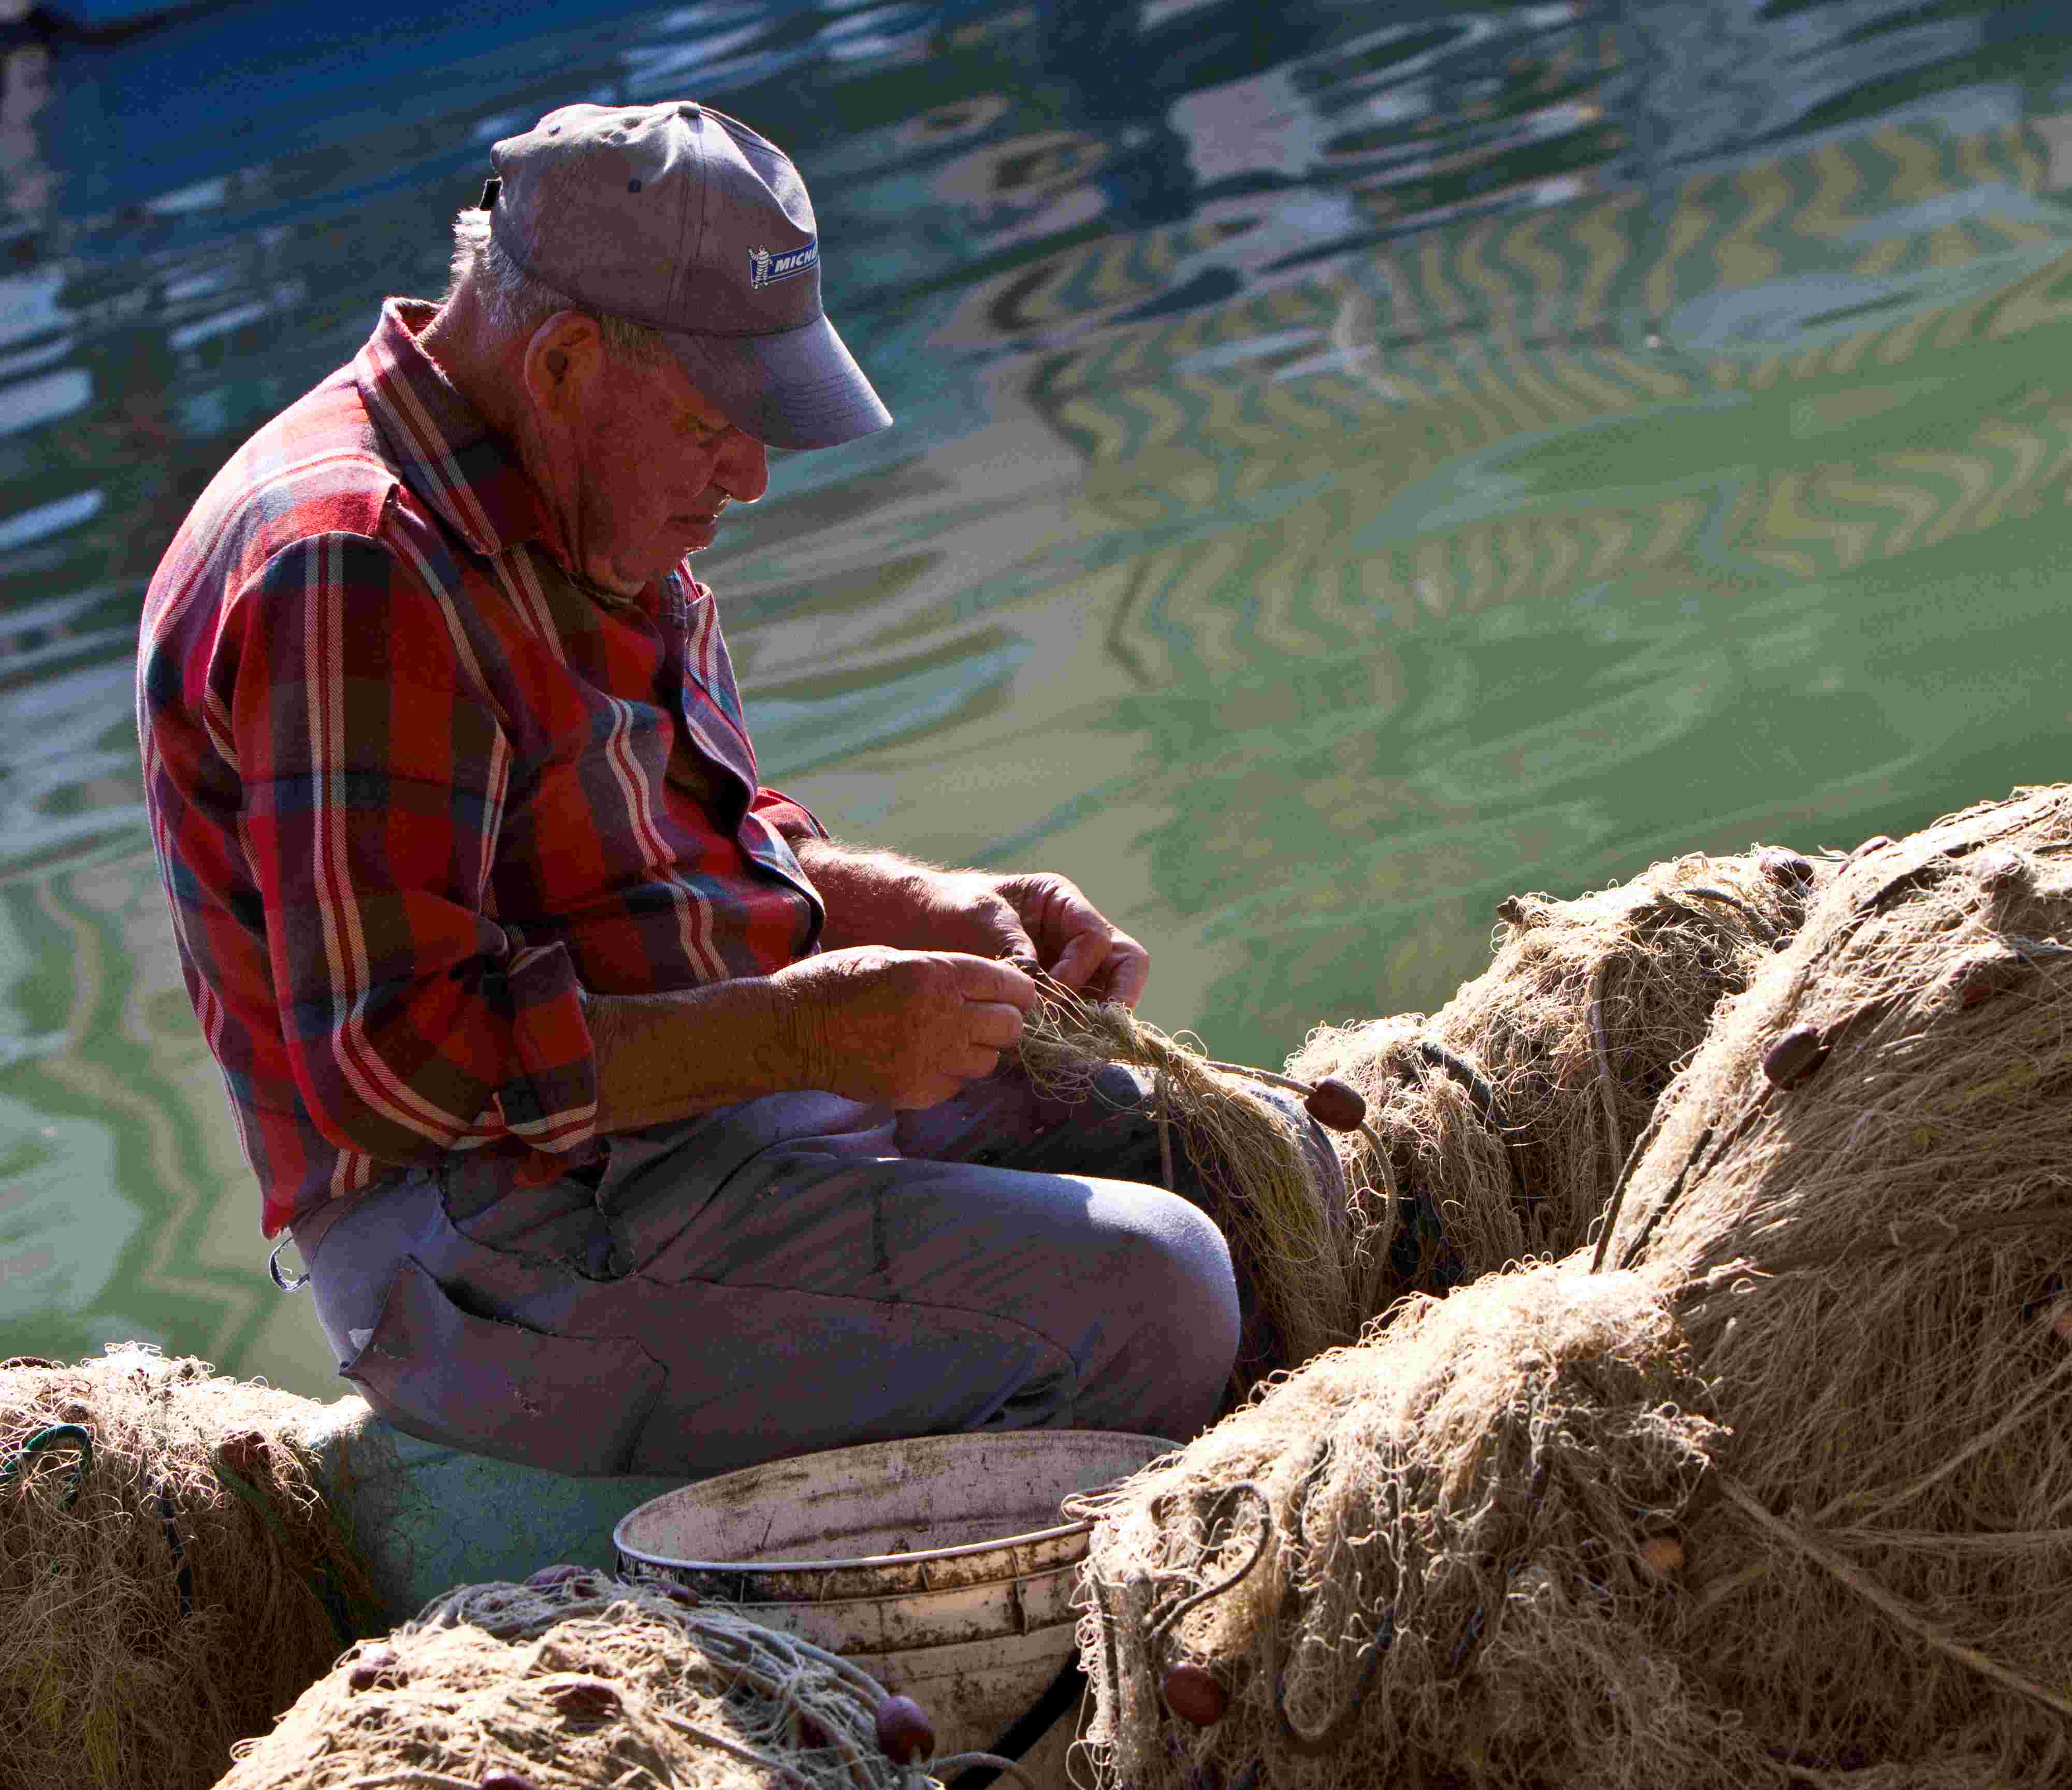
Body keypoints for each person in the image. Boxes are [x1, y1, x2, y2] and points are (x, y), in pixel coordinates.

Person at [136, 99, 1337, 1478]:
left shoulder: (570, 480)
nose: (754, 478)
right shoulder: (353, 565)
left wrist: (919, 906)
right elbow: (391, 1063)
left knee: (1248, 1161)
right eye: (718, 423)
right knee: (1152, 1287)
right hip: (491, 1241)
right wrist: (800, 1033)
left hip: (703, 1126)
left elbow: (694, 839)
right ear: (566, 359)